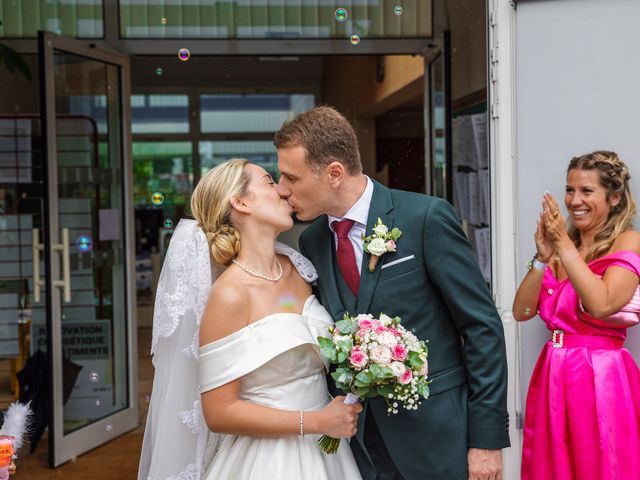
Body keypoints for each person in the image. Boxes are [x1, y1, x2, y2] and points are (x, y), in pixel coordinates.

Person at [275, 106, 510, 480]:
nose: (282, 189)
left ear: (334, 173)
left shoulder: (425, 218)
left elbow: (482, 327)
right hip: (360, 446)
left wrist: (486, 439)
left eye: (291, 177)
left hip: (438, 437)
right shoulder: (313, 241)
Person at [138, 159, 363, 480]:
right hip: (268, 461)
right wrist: (316, 422)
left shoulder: (300, 267)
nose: (284, 191)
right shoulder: (229, 294)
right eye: (270, 181)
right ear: (241, 202)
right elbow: (219, 413)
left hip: (330, 452)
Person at [513, 151, 640, 480]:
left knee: (598, 461)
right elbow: (522, 311)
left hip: (599, 373)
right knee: (553, 466)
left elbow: (602, 304)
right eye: (570, 190)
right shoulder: (561, 246)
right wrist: (542, 258)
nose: (574, 200)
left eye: (586, 191)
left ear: (614, 198)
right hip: (553, 370)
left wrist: (563, 247)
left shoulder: (628, 241)